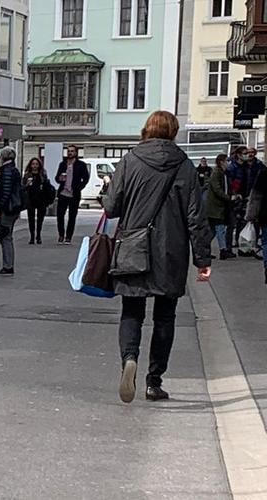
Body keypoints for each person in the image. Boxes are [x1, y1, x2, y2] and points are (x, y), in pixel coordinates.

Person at [103, 111, 212, 404]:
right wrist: (203, 259)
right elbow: (195, 217)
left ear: (146, 130)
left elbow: (112, 207)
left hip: (134, 246)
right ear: (174, 131)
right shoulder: (185, 166)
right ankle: (154, 381)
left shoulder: (130, 160)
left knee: (132, 311)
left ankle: (129, 359)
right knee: (165, 316)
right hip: (171, 250)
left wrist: (108, 190)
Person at [0, 147, 22, 275]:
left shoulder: (7, 171)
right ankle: (8, 264)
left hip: (8, 209)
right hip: (12, 208)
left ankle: (8, 265)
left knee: (5, 236)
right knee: (7, 236)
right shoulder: (13, 170)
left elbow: (5, 193)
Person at [54, 145, 90, 244]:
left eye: (72, 151)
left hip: (74, 194)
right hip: (63, 193)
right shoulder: (63, 164)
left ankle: (68, 237)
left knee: (72, 216)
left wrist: (79, 187)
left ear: (76, 153)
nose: (70, 153)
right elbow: (57, 178)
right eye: (68, 151)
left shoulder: (81, 165)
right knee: (60, 215)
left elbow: (86, 178)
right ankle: (61, 235)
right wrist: (59, 179)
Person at [207, 154, 236, 260]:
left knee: (213, 231)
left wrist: (232, 194)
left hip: (220, 206)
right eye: (227, 161)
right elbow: (217, 189)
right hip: (215, 206)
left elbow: (229, 186)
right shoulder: (216, 173)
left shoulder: (225, 173)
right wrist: (228, 197)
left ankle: (204, 249)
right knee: (220, 229)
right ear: (221, 162)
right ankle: (223, 250)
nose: (228, 163)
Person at [23, 157, 54, 245]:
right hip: (30, 199)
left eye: (36, 164)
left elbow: (47, 187)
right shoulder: (27, 175)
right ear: (30, 165)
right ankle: (32, 236)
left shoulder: (43, 175)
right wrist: (26, 185)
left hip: (41, 199)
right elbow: (22, 188)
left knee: (40, 219)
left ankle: (38, 235)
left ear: (39, 165)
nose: (35, 166)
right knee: (31, 219)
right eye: (33, 164)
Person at [246, 168, 267, 283]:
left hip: (265, 214)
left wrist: (251, 215)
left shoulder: (263, 173)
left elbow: (255, 197)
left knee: (265, 242)